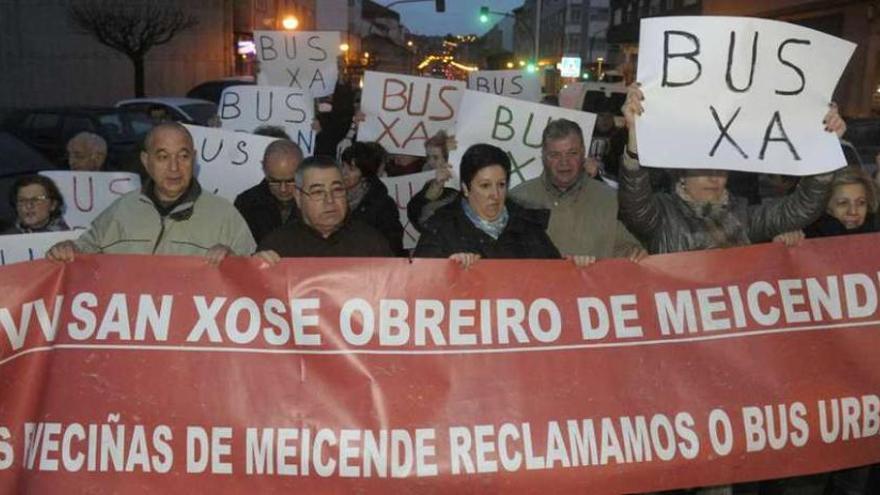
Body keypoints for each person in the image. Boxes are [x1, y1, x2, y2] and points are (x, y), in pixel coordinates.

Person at [618, 83, 847, 255]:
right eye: (703, 168)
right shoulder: (662, 215)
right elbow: (634, 204)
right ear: (682, 174)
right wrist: (635, 135)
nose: (713, 176)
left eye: (721, 169)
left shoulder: (745, 216)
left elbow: (801, 209)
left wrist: (824, 147)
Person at [47, 122, 255, 263]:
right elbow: (83, 254)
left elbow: (253, 281)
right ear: (146, 161)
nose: (174, 168)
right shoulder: (120, 212)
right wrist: (67, 250)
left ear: (194, 158)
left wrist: (234, 262)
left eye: (183, 156)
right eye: (163, 157)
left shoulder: (225, 215)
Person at [509, 118, 646, 261]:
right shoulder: (518, 199)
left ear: (583, 153)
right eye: (555, 155)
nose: (564, 162)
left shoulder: (609, 199)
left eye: (572, 153)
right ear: (543, 156)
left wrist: (634, 253)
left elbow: (625, 248)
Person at [414, 143, 564, 268]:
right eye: (485, 185)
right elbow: (420, 287)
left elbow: (556, 277)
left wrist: (576, 268)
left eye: (501, 184)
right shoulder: (439, 230)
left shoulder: (528, 226)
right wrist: (449, 270)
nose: (495, 194)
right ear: (466, 188)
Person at [255, 155, 393, 261]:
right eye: (318, 192)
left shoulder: (372, 244)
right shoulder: (277, 247)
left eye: (337, 190)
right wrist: (255, 270)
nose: (330, 200)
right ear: (298, 197)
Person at [340, 142, 404, 255]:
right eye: (343, 166)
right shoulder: (332, 197)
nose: (343, 173)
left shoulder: (382, 204)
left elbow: (392, 245)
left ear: (365, 174)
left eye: (351, 169)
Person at [234, 139, 303, 244]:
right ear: (264, 170)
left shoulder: (316, 201)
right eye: (275, 181)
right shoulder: (246, 203)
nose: (283, 189)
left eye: (291, 181)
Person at [803, 166, 878, 238]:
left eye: (861, 203)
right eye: (843, 203)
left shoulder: (875, 230)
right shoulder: (804, 236)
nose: (853, 212)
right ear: (823, 206)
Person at [2, 175, 69, 234]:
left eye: (36, 199)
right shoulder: (5, 239)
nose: (28, 205)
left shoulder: (70, 238)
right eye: (22, 200)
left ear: (53, 205)